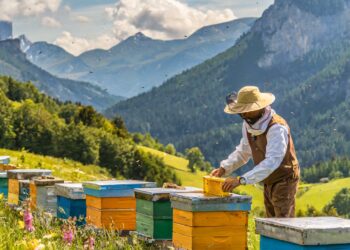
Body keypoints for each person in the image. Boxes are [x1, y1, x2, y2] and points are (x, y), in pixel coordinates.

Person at [211, 86, 300, 218]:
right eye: (241, 111)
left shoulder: (276, 127)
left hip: (285, 179)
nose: (243, 114)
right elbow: (244, 151)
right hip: (268, 178)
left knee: (283, 223)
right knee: (271, 221)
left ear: (259, 107)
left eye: (247, 110)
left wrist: (241, 180)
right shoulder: (248, 124)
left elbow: (272, 161)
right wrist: (224, 168)